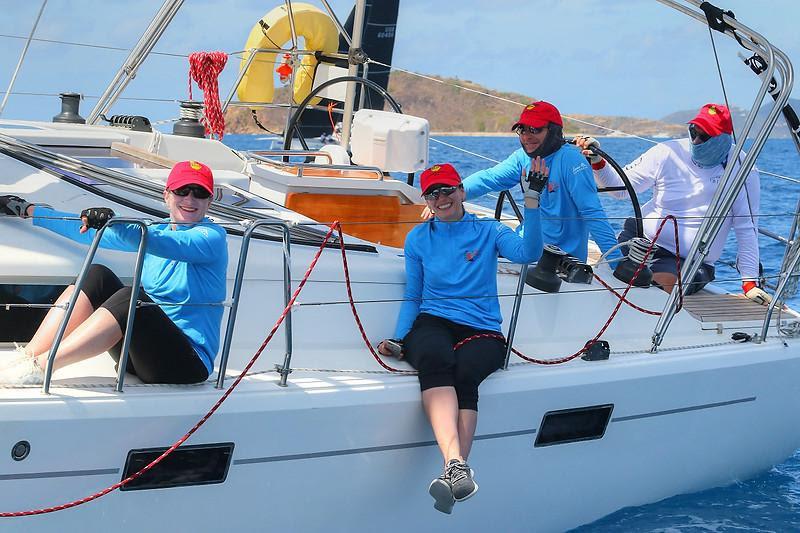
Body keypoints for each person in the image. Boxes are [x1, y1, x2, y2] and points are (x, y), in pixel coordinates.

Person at [379, 162, 544, 514]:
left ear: (462, 191)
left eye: (448, 190)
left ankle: (453, 468)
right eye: (433, 193)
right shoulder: (418, 238)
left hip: (481, 327)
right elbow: (413, 294)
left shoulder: (489, 230)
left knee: (466, 372)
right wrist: (399, 337)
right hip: (433, 320)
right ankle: (456, 465)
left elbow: (529, 254)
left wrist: (532, 200)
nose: (441, 198)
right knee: (435, 360)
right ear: (426, 198)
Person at [0, 160, 228, 385]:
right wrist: (27, 210)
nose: (189, 199)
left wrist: (114, 221)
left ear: (209, 202)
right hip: (140, 354)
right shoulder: (157, 230)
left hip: (186, 364)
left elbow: (162, 240)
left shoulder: (211, 237)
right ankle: (25, 361)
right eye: (181, 190)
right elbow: (87, 232)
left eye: (199, 193)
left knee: (132, 298)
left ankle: (42, 367)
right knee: (97, 275)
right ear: (166, 195)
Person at [576, 103, 770, 303]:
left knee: (657, 289)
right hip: (639, 238)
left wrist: (749, 283)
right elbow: (621, 189)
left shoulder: (743, 170)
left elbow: (746, 228)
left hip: (687, 261)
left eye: (704, 136)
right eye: (693, 131)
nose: (695, 140)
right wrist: (598, 160)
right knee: (605, 279)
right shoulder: (667, 152)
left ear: (723, 140)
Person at [459, 100, 622, 265]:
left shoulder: (572, 160)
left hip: (561, 260)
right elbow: (488, 178)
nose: (526, 136)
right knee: (476, 238)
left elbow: (593, 213)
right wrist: (448, 195)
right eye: (521, 130)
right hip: (524, 248)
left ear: (553, 131)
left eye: (534, 129)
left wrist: (617, 263)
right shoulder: (521, 158)